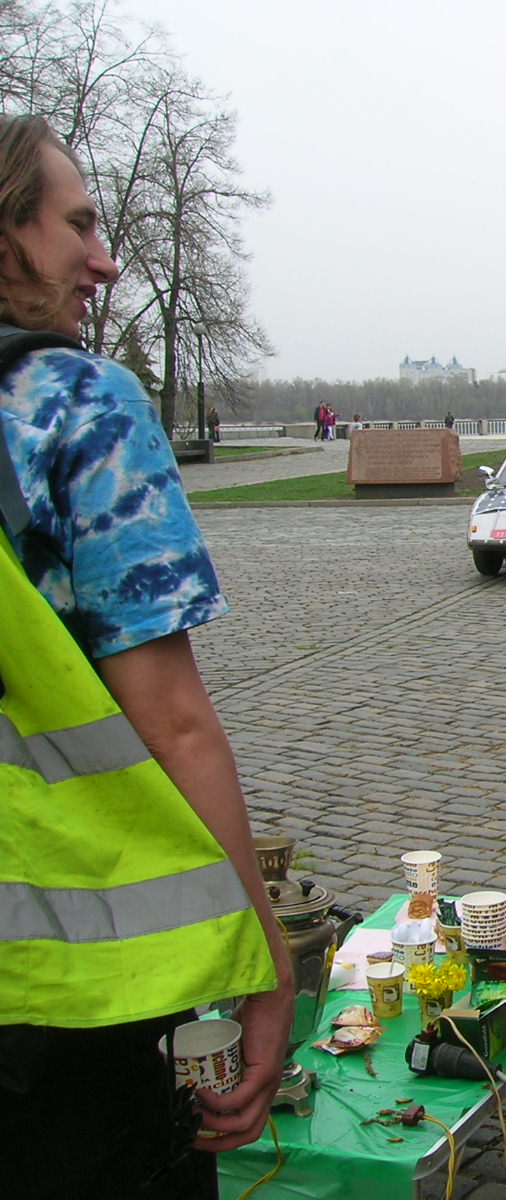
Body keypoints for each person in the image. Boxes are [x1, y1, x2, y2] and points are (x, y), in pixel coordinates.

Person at [0, 116, 292, 1197]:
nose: (105, 259)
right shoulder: (75, 402)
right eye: (76, 225)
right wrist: (263, 962)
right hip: (65, 990)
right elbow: (169, 720)